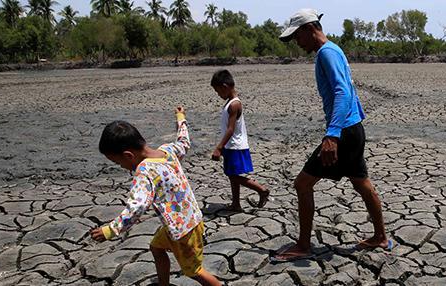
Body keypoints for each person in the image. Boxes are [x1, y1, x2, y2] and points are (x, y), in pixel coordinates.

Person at [271, 8, 390, 262]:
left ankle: (303, 245)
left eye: (297, 37)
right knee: (361, 183)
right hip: (354, 128)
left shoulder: (326, 53)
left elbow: (342, 93)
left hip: (344, 132)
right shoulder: (333, 50)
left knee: (302, 183)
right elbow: (348, 92)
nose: (297, 43)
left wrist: (333, 135)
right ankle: (381, 237)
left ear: (309, 29)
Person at [89, 107, 221, 286]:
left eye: (118, 162)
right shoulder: (168, 151)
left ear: (128, 155)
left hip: (183, 231)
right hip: (189, 220)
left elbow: (137, 206)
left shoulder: (144, 171)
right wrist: (181, 118)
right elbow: (184, 141)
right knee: (156, 248)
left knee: (195, 271)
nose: (121, 167)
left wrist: (110, 230)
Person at [210, 69, 270, 212]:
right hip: (231, 145)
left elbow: (230, 129)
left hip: (235, 145)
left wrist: (219, 147)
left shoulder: (234, 104)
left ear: (225, 86)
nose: (218, 95)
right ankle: (236, 204)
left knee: (232, 175)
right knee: (233, 175)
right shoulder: (231, 102)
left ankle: (261, 190)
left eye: (218, 92)